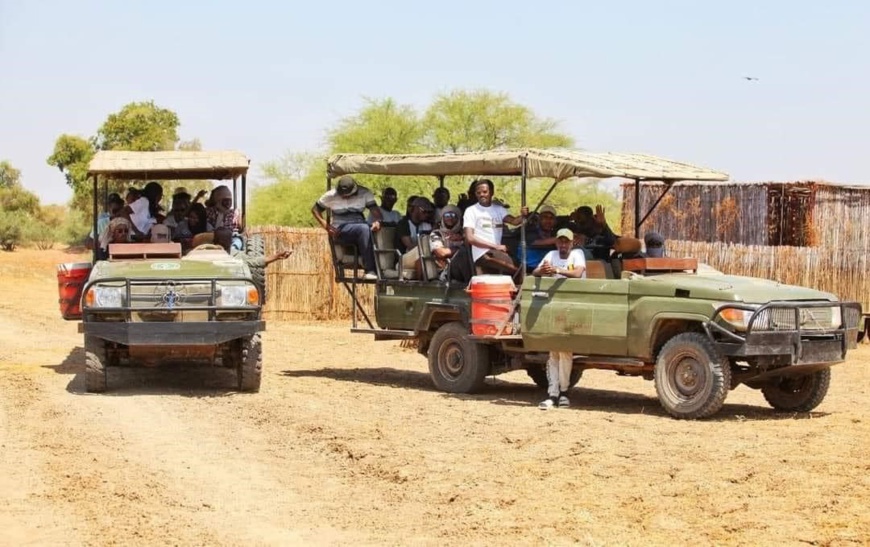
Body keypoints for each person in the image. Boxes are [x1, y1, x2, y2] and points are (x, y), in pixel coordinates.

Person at [532, 228, 587, 409]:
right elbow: (535, 272)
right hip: (554, 306)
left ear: (572, 243)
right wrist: (543, 270)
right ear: (556, 242)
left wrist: (556, 269)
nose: (563, 245)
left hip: (573, 305)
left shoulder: (577, 255)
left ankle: (563, 391)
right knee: (553, 351)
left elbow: (577, 273)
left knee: (564, 351)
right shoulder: (551, 254)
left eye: (566, 242)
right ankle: (553, 393)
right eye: (560, 241)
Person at [312, 175, 383, 280]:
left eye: (348, 195)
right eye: (342, 195)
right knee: (364, 229)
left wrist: (378, 221)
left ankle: (384, 267)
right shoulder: (330, 195)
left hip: (360, 225)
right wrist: (326, 226)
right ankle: (370, 270)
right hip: (341, 229)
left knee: (375, 229)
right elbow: (315, 209)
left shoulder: (364, 193)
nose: (345, 197)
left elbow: (376, 213)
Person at [461, 178, 527, 278]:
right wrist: (495, 246)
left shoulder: (499, 209)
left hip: (496, 252)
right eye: (478, 193)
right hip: (482, 253)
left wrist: (523, 215)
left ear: (491, 192)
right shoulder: (471, 211)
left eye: (485, 192)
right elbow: (470, 238)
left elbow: (514, 222)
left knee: (519, 267)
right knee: (518, 270)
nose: (482, 195)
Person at [212, 227, 293, 268]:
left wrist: (276, 256)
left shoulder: (236, 255)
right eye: (222, 239)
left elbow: (254, 261)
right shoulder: (206, 253)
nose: (225, 241)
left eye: (227, 239)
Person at [395, 197, 434, 274]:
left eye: (429, 212)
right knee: (421, 251)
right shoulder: (403, 224)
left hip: (422, 256)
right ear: (415, 209)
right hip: (403, 259)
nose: (427, 214)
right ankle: (423, 280)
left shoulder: (427, 225)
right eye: (424, 211)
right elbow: (410, 247)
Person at [428, 204, 464, 278]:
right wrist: (462, 250)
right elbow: (441, 253)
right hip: (446, 271)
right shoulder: (436, 234)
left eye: (453, 215)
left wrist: (463, 238)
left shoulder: (464, 234)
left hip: (464, 267)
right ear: (442, 218)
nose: (450, 218)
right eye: (447, 215)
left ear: (458, 218)